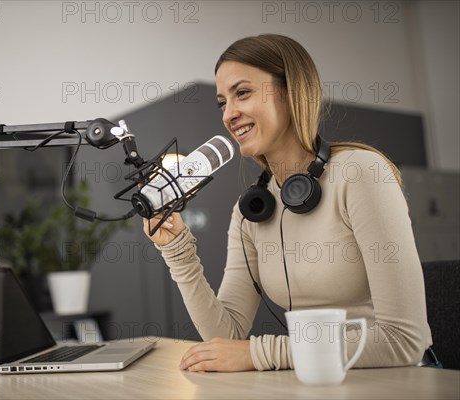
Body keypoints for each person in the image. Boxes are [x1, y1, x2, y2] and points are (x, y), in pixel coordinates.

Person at [143, 34, 433, 372]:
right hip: (314, 382)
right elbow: (227, 333)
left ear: (291, 91)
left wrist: (257, 354)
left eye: (243, 93)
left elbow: (404, 339)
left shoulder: (360, 174)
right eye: (222, 103)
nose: (229, 115)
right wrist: (178, 251)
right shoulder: (251, 210)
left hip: (392, 384)